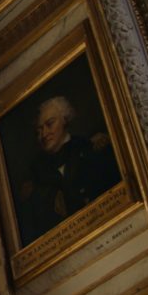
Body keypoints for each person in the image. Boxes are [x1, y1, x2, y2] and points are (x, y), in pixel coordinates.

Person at [18, 95, 120, 243]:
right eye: (39, 130)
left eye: (50, 124)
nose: (44, 134)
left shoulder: (90, 148)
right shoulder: (35, 173)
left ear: (65, 120)